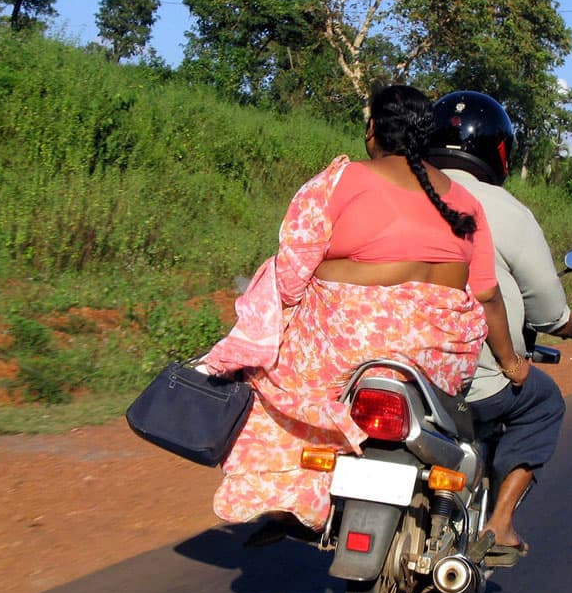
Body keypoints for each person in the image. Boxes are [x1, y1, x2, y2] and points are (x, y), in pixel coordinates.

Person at [200, 85, 528, 540]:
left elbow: (292, 274)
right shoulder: (467, 203)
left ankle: (287, 497)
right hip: (436, 357)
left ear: (373, 129)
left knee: (269, 379)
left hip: (346, 344)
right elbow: (488, 296)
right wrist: (512, 362)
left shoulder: (340, 181)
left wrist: (273, 325)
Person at [429, 90, 572, 567]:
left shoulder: (400, 190)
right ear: (498, 150)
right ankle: (499, 521)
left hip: (383, 358)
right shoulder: (503, 210)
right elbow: (543, 308)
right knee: (543, 404)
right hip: (471, 377)